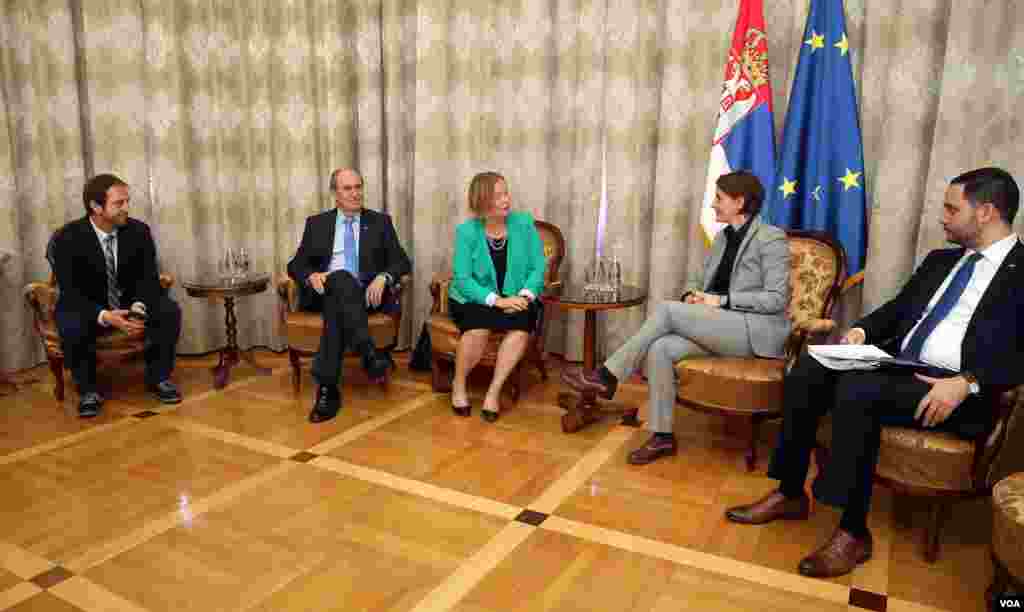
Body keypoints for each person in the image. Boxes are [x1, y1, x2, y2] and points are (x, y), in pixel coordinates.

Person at [725, 167, 1023, 578]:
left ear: (987, 211)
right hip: (900, 366)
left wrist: (968, 381)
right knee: (811, 364)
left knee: (858, 388)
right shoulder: (942, 261)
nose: (943, 217)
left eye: (952, 209)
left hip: (957, 390)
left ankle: (852, 532)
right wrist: (862, 330)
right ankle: (791, 492)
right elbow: (899, 310)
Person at [562, 170, 790, 464]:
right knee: (661, 348)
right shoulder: (722, 238)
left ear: (739, 201)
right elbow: (698, 279)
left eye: (719, 199)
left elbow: (776, 298)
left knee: (667, 311)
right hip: (717, 326)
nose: (712, 205)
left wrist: (722, 300)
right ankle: (662, 436)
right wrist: (691, 296)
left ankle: (607, 376)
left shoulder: (771, 238)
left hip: (751, 333)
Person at [52, 174, 183, 417]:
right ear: (95, 206)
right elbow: (70, 292)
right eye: (119, 203)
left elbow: (147, 279)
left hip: (129, 303)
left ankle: (159, 378)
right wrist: (105, 316)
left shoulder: (138, 231)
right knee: (71, 322)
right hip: (88, 306)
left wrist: (138, 308)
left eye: (127, 201)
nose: (126, 208)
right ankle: (88, 390)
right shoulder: (67, 238)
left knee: (168, 311)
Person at [288, 168, 412, 423]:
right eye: (348, 188)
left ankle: (327, 390)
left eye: (358, 187)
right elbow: (296, 264)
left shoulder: (380, 222)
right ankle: (368, 353)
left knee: (341, 291)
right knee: (341, 279)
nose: (355, 193)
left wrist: (383, 277)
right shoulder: (317, 223)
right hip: (324, 293)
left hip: (367, 296)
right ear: (335, 193)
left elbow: (402, 262)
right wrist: (310, 276)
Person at [448, 172, 547, 423]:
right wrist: (496, 300)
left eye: (507, 193)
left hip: (517, 296)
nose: (507, 199)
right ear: (483, 201)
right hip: (474, 298)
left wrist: (525, 295)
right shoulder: (467, 232)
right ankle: (458, 385)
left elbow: (538, 266)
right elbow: (462, 279)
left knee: (521, 327)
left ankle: (493, 392)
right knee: (478, 329)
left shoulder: (523, 224)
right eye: (499, 195)